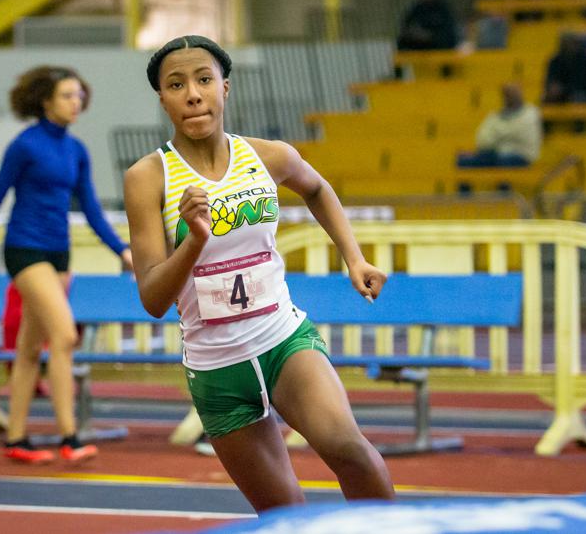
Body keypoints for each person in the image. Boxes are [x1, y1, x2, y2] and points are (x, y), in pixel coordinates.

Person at [123, 35, 395, 513]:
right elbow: (152, 298)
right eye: (177, 84)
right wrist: (194, 241)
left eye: (204, 80)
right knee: (283, 516)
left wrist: (354, 257)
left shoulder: (268, 156)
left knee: (352, 453)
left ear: (224, 88)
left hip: (283, 342)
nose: (193, 93)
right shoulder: (150, 177)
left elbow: (317, 188)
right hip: (217, 370)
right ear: (162, 98)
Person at [0, 65, 133, 465]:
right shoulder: (24, 146)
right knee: (65, 335)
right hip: (24, 250)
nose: (76, 103)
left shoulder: (76, 151)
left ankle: (16, 438)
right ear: (46, 101)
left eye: (79, 96)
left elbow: (90, 208)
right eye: (67, 96)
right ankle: (70, 436)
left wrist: (121, 250)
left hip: (59, 254)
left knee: (30, 350)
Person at [458, 83, 542, 168]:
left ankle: (504, 181)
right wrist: (504, 136)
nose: (510, 95)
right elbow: (482, 140)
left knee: (502, 161)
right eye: (507, 93)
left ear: (520, 93)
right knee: (463, 161)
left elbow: (519, 133)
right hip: (494, 154)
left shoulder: (531, 112)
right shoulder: (494, 116)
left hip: (521, 156)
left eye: (513, 92)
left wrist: (496, 134)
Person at [543, 34, 586, 104]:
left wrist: (563, 89)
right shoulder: (555, 61)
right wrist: (553, 88)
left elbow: (584, 83)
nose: (571, 46)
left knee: (578, 98)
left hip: (582, 93)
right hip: (561, 95)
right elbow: (550, 80)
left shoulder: (584, 60)